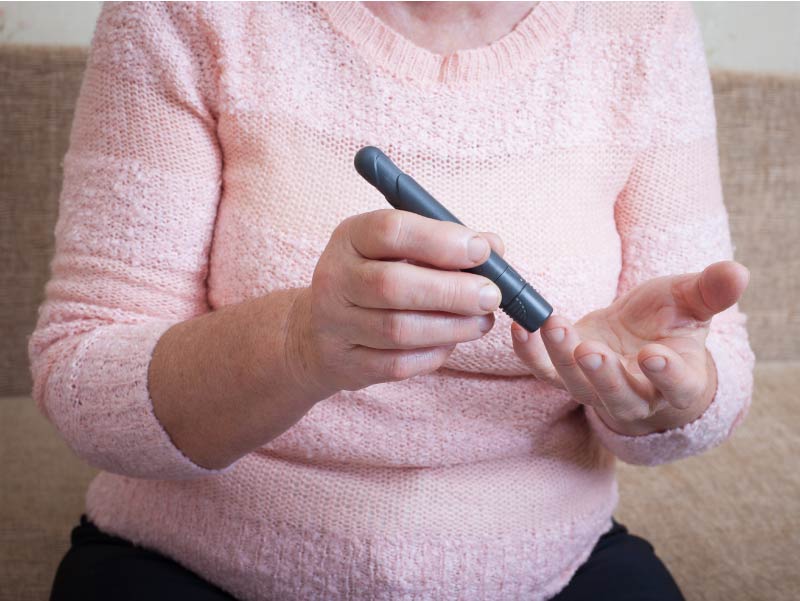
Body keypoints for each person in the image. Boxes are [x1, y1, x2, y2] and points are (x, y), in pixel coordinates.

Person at [30, 2, 755, 600]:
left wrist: (667, 391)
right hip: (192, 565)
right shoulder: (183, 13)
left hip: (552, 571)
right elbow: (83, 379)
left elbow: (712, 365)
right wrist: (296, 343)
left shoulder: (644, 27)